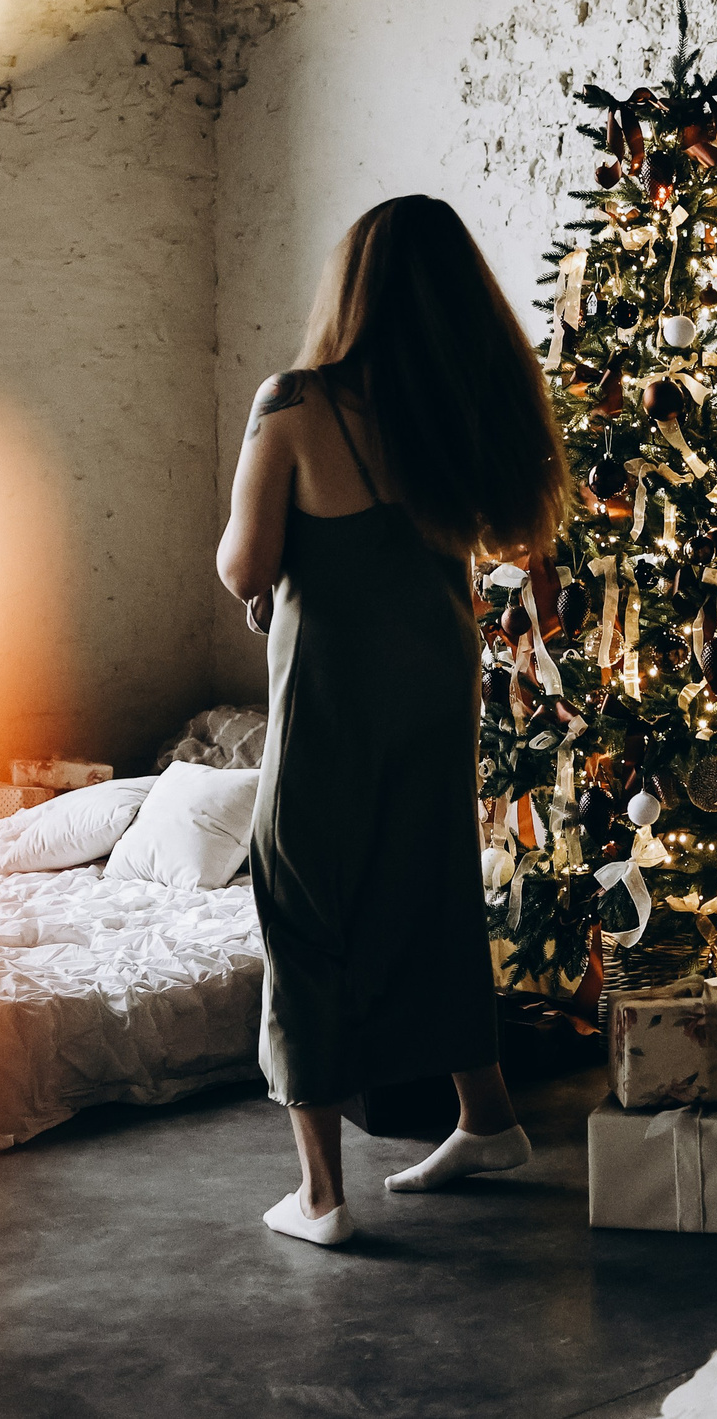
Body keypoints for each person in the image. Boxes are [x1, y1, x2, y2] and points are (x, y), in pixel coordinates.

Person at [216, 194, 571, 1246]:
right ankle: (488, 1116)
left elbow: (247, 563)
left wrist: (258, 582)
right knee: (430, 887)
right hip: (434, 683)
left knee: (304, 900)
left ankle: (320, 1196)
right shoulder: (456, 408)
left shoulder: (295, 402)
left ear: (350, 286)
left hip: (335, 690)